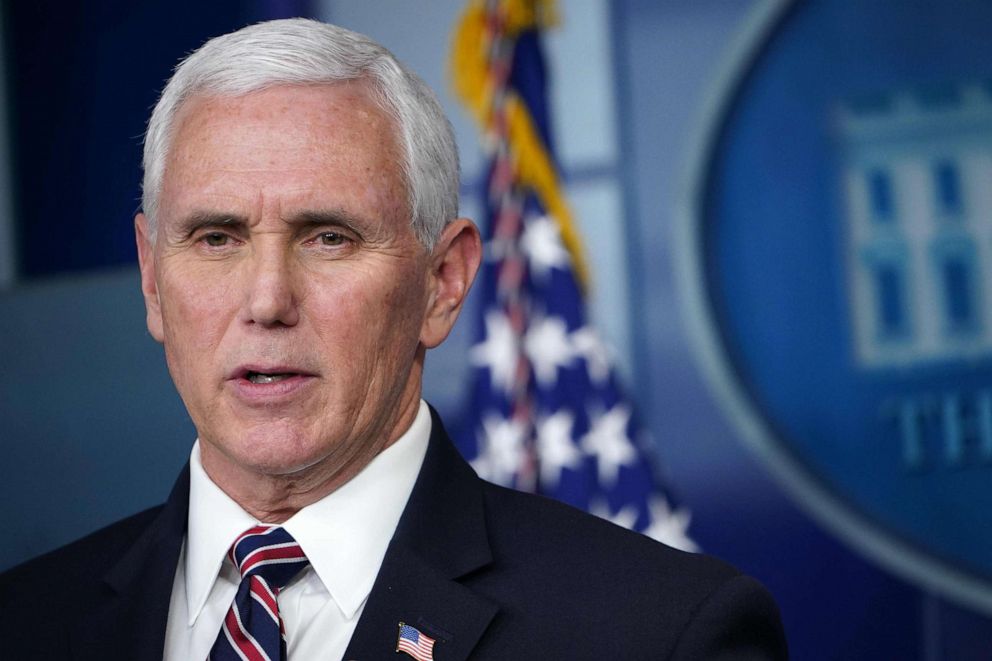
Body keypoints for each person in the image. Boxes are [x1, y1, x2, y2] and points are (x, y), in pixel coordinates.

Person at [0, 18, 787, 660]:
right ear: (151, 279)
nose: (267, 299)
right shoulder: (25, 623)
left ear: (443, 282)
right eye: (216, 238)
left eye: (330, 237)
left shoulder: (659, 635)